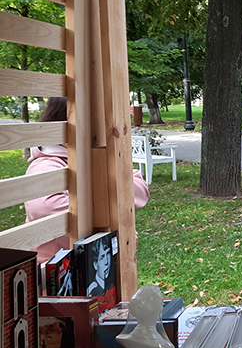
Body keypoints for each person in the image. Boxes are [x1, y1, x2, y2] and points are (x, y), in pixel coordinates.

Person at [25, 97, 150, 264]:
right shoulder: (46, 165)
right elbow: (44, 208)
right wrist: (110, 201)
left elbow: (140, 189)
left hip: (96, 262)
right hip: (58, 269)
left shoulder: (93, 156)